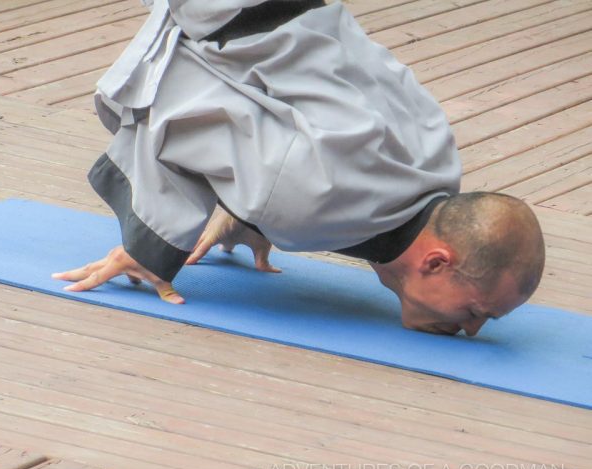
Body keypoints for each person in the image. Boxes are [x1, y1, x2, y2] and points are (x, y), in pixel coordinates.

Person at [52, 0, 545, 337]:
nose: (474, 329)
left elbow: (306, 127)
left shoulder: (438, 160)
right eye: (477, 312)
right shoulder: (311, 204)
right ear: (436, 261)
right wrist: (153, 244)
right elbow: (171, 109)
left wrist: (243, 209)